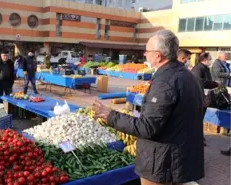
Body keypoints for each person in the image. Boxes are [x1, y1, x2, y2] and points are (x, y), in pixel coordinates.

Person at [92, 30, 204, 185]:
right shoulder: (187, 75)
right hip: (179, 157)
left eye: (147, 51)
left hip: (162, 163)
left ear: (158, 55)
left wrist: (111, 115)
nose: (145, 54)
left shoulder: (165, 82)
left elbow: (147, 128)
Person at [191, 52, 219, 146]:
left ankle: (198, 137)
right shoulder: (198, 69)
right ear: (205, 60)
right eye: (210, 59)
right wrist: (214, 83)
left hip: (204, 97)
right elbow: (200, 82)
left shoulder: (205, 68)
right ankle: (196, 138)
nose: (211, 60)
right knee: (197, 119)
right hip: (198, 97)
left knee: (200, 118)